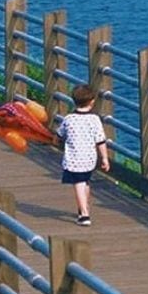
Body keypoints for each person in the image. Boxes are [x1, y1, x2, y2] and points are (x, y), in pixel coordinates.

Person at [56, 84, 110, 226]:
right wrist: (104, 158)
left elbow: (59, 134)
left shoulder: (69, 119)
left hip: (74, 159)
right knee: (85, 182)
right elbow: (100, 140)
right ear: (92, 102)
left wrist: (54, 140)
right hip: (89, 159)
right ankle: (83, 208)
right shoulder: (94, 119)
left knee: (78, 184)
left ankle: (84, 214)